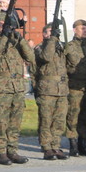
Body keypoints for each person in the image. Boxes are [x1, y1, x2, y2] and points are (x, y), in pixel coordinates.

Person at [0, 14, 35, 165]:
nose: (5, 28)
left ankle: (12, 150)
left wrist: (20, 39)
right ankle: (1, 152)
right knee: (1, 121)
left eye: (7, 25)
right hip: (3, 87)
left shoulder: (16, 43)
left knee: (15, 121)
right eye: (2, 25)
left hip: (17, 86)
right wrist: (4, 36)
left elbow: (30, 57)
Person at [64, 19, 86, 157]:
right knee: (73, 116)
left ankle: (82, 144)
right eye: (82, 28)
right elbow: (63, 66)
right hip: (75, 88)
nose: (84, 31)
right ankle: (73, 145)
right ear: (75, 30)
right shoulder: (69, 47)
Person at [35, 24, 69, 160]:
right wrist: (53, 39)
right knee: (46, 120)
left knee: (59, 120)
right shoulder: (40, 48)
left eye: (54, 32)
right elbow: (46, 57)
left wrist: (60, 42)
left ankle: (55, 145)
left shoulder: (60, 47)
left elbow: (71, 62)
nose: (52, 34)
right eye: (49, 32)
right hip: (47, 90)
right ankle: (46, 147)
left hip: (61, 90)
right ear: (44, 34)